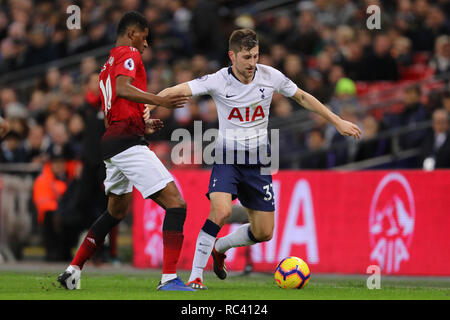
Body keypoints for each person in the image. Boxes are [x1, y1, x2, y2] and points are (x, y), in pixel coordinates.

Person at [144, 28, 362, 289]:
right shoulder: (217, 80)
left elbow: (302, 97)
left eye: (256, 56)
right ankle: (196, 276)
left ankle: (220, 247)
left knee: (263, 232)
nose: (252, 63)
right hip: (226, 157)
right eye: (246, 57)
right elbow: (180, 89)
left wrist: (337, 121)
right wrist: (150, 102)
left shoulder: (271, 76)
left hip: (259, 161)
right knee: (221, 210)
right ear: (232, 56)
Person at [57, 11, 194, 291]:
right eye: (145, 37)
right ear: (133, 33)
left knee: (114, 212)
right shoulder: (128, 53)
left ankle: (73, 270)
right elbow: (123, 89)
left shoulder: (106, 64)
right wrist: (160, 101)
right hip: (126, 144)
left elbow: (114, 110)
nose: (146, 45)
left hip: (115, 140)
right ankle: (169, 278)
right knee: (177, 205)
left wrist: (142, 124)